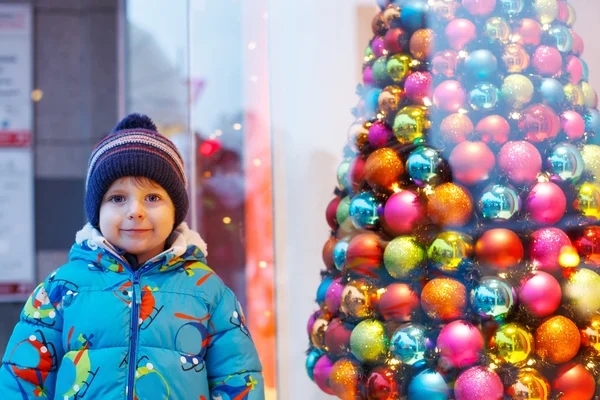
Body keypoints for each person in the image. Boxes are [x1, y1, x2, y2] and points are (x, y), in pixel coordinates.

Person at [0, 114, 264, 399]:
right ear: (97, 211)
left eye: (152, 198)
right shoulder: (61, 289)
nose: (135, 211)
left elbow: (238, 379)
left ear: (175, 210)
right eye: (117, 198)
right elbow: (23, 376)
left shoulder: (208, 292)